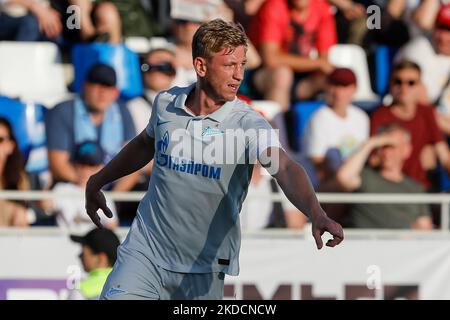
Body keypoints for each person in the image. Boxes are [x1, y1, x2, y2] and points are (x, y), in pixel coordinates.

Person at [84, 19, 343, 300]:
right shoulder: (165, 104)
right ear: (201, 66)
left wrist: (315, 212)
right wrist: (98, 180)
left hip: (203, 267)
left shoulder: (249, 123)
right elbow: (144, 144)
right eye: (230, 65)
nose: (239, 75)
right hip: (145, 252)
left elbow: (286, 168)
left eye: (242, 65)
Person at [45, 63, 138, 192]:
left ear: (116, 93)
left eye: (108, 87)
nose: (102, 92)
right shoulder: (63, 110)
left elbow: (133, 165)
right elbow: (58, 165)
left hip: (110, 194)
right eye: (96, 85)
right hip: (73, 189)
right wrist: (91, 191)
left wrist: (113, 199)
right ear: (85, 86)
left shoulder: (123, 111)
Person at [370, 60, 450, 190]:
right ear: (390, 84)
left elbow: (444, 156)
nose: (404, 88)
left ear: (420, 86)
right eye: (398, 82)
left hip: (423, 189)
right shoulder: (380, 115)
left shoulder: (427, 113)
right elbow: (373, 159)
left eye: (411, 83)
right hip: (389, 188)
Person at [336, 124, 434, 229]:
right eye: (383, 146)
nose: (386, 152)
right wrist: (371, 143)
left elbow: (425, 227)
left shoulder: (415, 188)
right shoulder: (366, 177)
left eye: (391, 146)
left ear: (406, 150)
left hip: (403, 243)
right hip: (367, 243)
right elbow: (344, 177)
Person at [248, 0, 337, 110]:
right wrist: (318, 63)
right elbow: (270, 59)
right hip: (263, 74)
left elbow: (324, 59)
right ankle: (278, 124)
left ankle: (327, 124)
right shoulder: (274, 6)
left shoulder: (322, 8)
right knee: (282, 75)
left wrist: (323, 66)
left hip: (302, 79)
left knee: (337, 79)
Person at [303, 68, 370, 188]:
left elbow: (362, 159)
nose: (339, 92)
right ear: (327, 87)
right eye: (335, 85)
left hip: (350, 183)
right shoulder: (319, 118)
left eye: (344, 86)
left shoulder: (362, 118)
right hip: (322, 187)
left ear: (354, 89)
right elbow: (318, 163)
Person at [51, 141, 118, 230]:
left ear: (100, 167)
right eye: (82, 164)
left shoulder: (106, 196)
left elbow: (112, 226)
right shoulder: (61, 189)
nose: (86, 170)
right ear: (74, 164)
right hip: (66, 242)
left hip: (94, 242)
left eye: (91, 165)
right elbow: (44, 204)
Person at [68, 228, 121, 300]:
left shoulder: (81, 289)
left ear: (101, 259)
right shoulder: (132, 286)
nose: (79, 256)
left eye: (83, 253)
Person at [0, 117, 30, 227]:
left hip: (10, 241)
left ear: (10, 146)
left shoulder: (19, 179)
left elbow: (21, 223)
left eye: (0, 140)